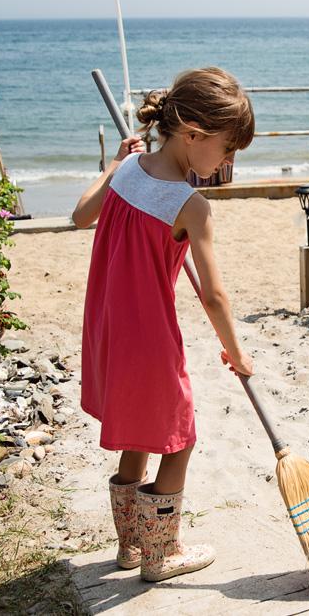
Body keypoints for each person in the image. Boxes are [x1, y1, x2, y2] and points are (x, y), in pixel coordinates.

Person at [72, 67, 255, 582]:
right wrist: (237, 353)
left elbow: (79, 215)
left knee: (140, 430)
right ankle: (162, 555)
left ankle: (130, 548)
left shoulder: (129, 170)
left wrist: (113, 165)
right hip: (149, 337)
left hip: (108, 327)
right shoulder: (190, 205)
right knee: (178, 438)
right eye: (226, 149)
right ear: (193, 134)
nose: (227, 162)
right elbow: (215, 296)